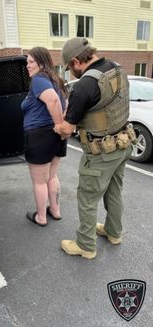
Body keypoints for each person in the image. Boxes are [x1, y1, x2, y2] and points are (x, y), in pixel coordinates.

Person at [54, 37, 135, 258]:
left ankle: (85, 246)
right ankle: (113, 232)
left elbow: (67, 129)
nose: (71, 74)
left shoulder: (85, 85)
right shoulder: (118, 69)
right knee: (114, 190)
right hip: (123, 144)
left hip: (101, 154)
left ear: (75, 62)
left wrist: (56, 126)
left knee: (87, 198)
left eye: (69, 69)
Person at [21, 46, 68, 226]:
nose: (28, 65)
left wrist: (59, 126)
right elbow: (65, 104)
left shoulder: (39, 80)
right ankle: (55, 211)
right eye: (27, 62)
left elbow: (53, 100)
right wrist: (61, 128)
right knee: (52, 175)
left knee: (39, 181)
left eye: (31, 61)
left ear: (42, 62)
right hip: (54, 138)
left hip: (40, 136)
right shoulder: (56, 80)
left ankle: (41, 217)